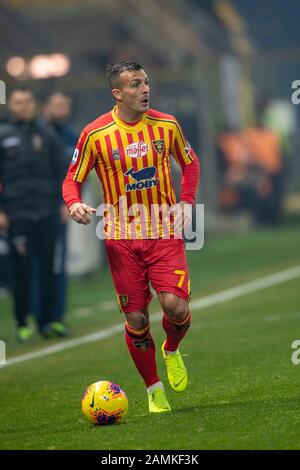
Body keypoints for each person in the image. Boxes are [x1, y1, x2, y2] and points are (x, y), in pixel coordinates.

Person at [62, 61, 200, 413]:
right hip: (121, 238)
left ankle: (171, 348)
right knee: (137, 319)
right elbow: (71, 178)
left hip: (164, 229)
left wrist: (185, 203)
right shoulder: (95, 134)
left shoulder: (166, 124)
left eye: (146, 83)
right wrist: (74, 203)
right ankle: (154, 389)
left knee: (176, 307)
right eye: (136, 84)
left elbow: (190, 163)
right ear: (117, 93)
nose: (145, 90)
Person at [0, 87, 67, 341]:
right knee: (21, 269)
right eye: (18, 102)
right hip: (17, 213)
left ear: (33, 105)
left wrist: (64, 203)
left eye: (27, 101)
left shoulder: (46, 133)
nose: (23, 106)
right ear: (11, 105)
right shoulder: (3, 134)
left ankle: (49, 321)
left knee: (49, 267)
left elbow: (62, 170)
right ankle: (22, 322)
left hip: (48, 211)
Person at [30, 92, 77, 337]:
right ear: (45, 106)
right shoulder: (32, 135)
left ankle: (56, 316)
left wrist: (69, 203)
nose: (62, 111)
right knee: (35, 265)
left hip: (58, 210)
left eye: (65, 106)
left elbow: (77, 174)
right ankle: (38, 318)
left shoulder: (72, 137)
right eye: (57, 106)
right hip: (33, 211)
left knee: (57, 265)